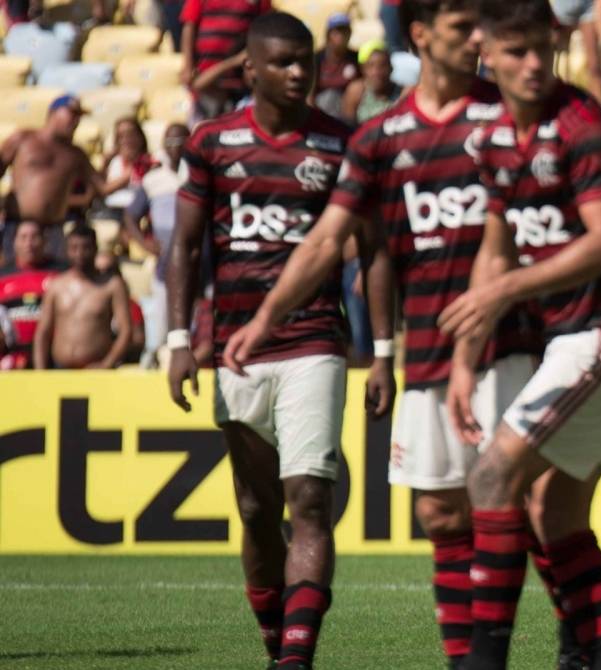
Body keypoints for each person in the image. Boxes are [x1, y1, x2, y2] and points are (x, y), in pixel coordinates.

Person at [223, 3, 578, 668]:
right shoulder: (381, 136)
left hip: (516, 337)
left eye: (481, 28)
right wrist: (266, 317)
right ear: (420, 36)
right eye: (460, 28)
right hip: (432, 346)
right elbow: (331, 237)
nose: (477, 40)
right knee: (442, 516)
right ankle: (465, 657)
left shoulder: (507, 114)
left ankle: (571, 634)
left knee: (525, 503)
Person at [436, 1, 601, 666]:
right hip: (590, 338)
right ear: (486, 49)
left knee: (491, 478)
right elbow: (496, 249)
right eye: (516, 52)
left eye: (542, 48)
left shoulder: (582, 123)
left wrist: (505, 290)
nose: (534, 64)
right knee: (554, 513)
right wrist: (463, 360)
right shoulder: (494, 134)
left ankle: (484, 660)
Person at [164, 13, 355, 669]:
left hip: (316, 338)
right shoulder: (212, 144)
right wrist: (178, 337)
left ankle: (297, 657)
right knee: (255, 507)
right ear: (251, 70)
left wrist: (383, 349)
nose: (300, 72)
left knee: (309, 499)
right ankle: (276, 638)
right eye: (284, 62)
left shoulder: (339, 143)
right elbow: (185, 245)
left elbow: (374, 248)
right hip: (234, 346)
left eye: (306, 60)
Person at [0, 95, 105, 254]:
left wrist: (128, 174)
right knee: (12, 275)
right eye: (72, 114)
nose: (76, 121)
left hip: (53, 229)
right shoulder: (23, 138)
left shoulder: (75, 154)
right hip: (17, 224)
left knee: (52, 276)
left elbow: (102, 188)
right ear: (54, 114)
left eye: (79, 117)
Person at [123, 123, 191, 367]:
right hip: (165, 269)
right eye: (170, 143)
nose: (176, 148)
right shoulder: (153, 180)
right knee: (163, 332)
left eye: (181, 142)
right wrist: (144, 243)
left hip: (198, 269)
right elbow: (131, 216)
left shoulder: (198, 177)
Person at [33, 225, 132, 369]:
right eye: (74, 248)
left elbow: (126, 331)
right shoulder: (56, 286)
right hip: (60, 370)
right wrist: (40, 372)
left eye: (86, 247)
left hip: (96, 371)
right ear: (67, 251)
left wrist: (107, 364)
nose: (79, 253)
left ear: (95, 249)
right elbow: (43, 332)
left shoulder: (112, 285)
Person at [180, 0, 273, 119]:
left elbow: (265, 24)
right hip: (207, 76)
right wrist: (188, 65)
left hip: (241, 79)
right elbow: (190, 24)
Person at [0, 222, 66, 370]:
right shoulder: (2, 275)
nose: (29, 243)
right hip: (11, 358)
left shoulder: (62, 273)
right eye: (23, 237)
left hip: (54, 357)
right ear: (14, 242)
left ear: (45, 241)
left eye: (34, 237)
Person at [101, 117, 156, 213]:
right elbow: (105, 190)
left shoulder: (151, 162)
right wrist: (131, 169)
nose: (127, 140)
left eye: (131, 134)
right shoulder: (115, 162)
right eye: (121, 136)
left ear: (140, 137)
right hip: (115, 210)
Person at [341, 42, 403, 125]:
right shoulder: (356, 92)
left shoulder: (402, 94)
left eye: (382, 66)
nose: (376, 72)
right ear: (363, 70)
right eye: (370, 66)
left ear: (391, 68)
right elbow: (347, 127)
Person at [313, 13, 360, 118]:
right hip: (321, 108)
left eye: (345, 32)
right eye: (337, 32)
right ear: (328, 35)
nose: (341, 36)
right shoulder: (317, 59)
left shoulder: (356, 58)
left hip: (349, 110)